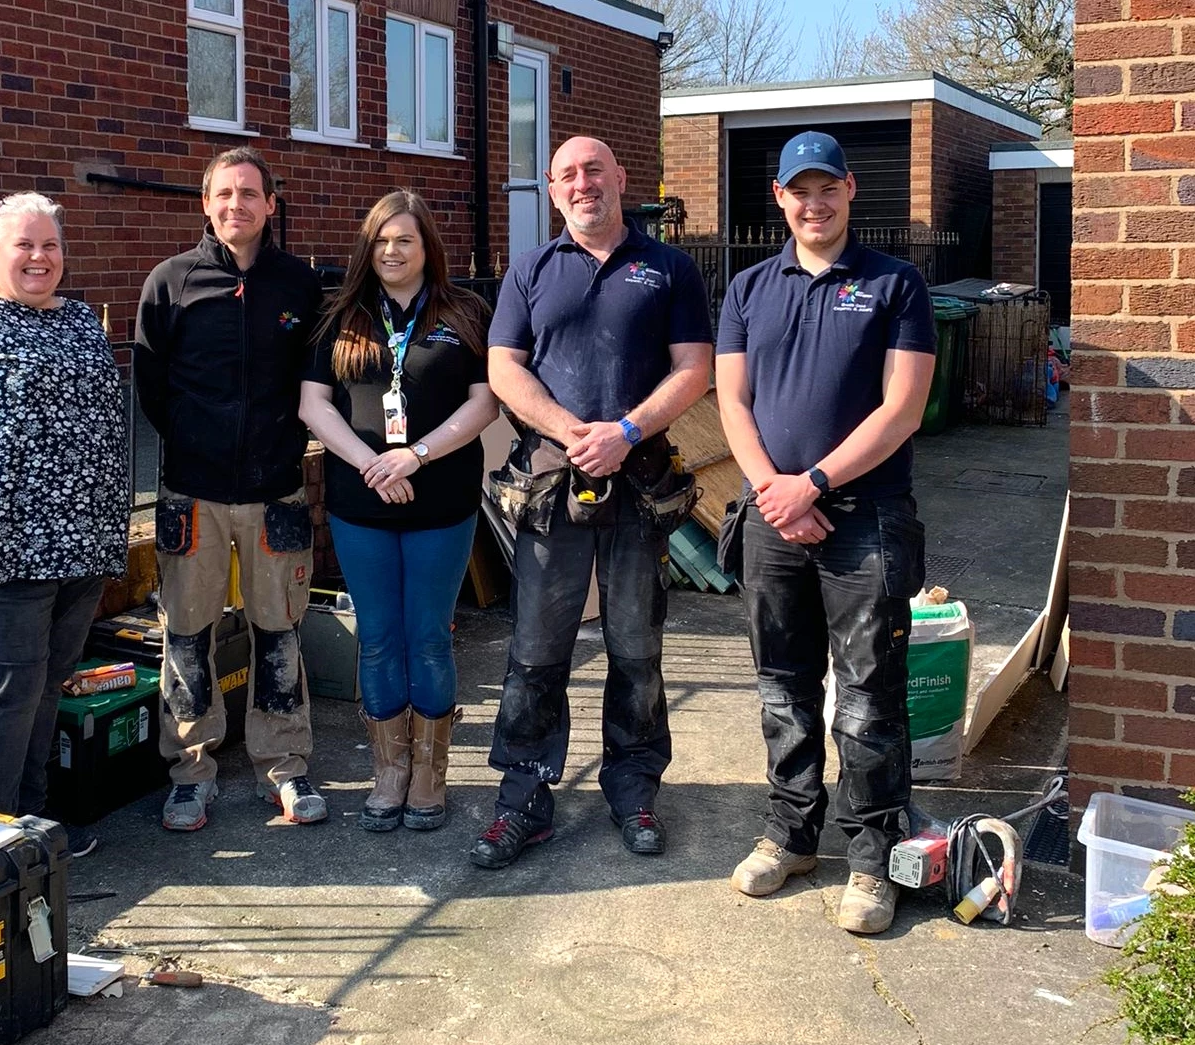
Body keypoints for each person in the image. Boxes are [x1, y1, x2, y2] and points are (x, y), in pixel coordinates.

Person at [714, 130, 936, 934]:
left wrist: (812, 483)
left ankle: (872, 856)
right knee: (783, 682)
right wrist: (775, 493)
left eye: (826, 188)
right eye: (797, 190)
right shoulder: (746, 288)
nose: (813, 204)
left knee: (869, 693)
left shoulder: (894, 285)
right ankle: (790, 832)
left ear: (848, 191)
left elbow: (901, 409)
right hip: (773, 515)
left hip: (865, 516)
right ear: (778, 197)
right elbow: (731, 400)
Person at [470, 137, 714, 869]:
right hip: (551, 482)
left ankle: (633, 787)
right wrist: (568, 429)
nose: (583, 184)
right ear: (552, 190)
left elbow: (694, 367)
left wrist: (627, 429)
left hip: (638, 484)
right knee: (535, 653)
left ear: (621, 178)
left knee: (636, 649)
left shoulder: (668, 268)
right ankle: (523, 799)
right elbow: (502, 366)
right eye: (569, 175)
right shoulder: (530, 269)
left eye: (595, 171)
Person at [0, 191, 129, 859]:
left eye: (50, 245)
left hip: (80, 542)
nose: (39, 256)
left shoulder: (80, 320)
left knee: (45, 685)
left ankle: (32, 825)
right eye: (24, 245)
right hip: (0, 544)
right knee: (8, 688)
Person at [134, 147, 326, 831]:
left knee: (279, 636)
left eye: (249, 193)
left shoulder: (299, 286)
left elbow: (315, 381)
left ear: (270, 204)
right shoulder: (169, 283)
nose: (235, 205)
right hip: (193, 490)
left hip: (275, 490)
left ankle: (284, 766)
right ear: (205, 203)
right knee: (186, 639)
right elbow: (152, 384)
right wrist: (195, 440)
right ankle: (190, 773)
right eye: (223, 193)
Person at [300, 190, 497, 833]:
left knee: (429, 636)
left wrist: (415, 456)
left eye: (405, 239)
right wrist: (369, 462)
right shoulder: (338, 316)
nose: (392, 250)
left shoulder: (465, 312)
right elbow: (314, 405)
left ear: (426, 247)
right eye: (381, 239)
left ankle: (430, 775)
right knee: (380, 638)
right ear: (368, 246)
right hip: (362, 504)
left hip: (441, 501)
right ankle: (389, 771)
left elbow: (485, 402)